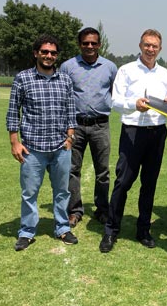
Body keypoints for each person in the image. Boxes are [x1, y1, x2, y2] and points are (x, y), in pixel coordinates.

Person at [99, 29, 167, 253]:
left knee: (149, 184)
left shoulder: (165, 73)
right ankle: (111, 230)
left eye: (155, 46)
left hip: (157, 132)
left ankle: (143, 230)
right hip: (133, 131)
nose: (151, 49)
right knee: (123, 182)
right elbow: (115, 101)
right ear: (140, 46)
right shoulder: (126, 70)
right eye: (147, 45)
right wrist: (135, 104)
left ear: (160, 49)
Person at [6, 34, 78, 251]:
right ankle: (27, 232)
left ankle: (62, 228)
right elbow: (13, 111)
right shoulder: (23, 78)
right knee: (29, 193)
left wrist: (70, 136)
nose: (49, 56)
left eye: (53, 53)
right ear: (36, 53)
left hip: (60, 147)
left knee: (62, 191)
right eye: (45, 52)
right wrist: (14, 143)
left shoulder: (64, 79)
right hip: (32, 148)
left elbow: (70, 111)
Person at [60, 27, 118, 227]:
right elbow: (63, 95)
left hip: (100, 125)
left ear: (99, 45)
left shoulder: (110, 67)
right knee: (72, 170)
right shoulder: (68, 66)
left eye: (94, 43)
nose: (90, 46)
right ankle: (74, 210)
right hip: (74, 126)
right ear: (80, 45)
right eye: (86, 43)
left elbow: (114, 92)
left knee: (103, 171)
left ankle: (102, 209)